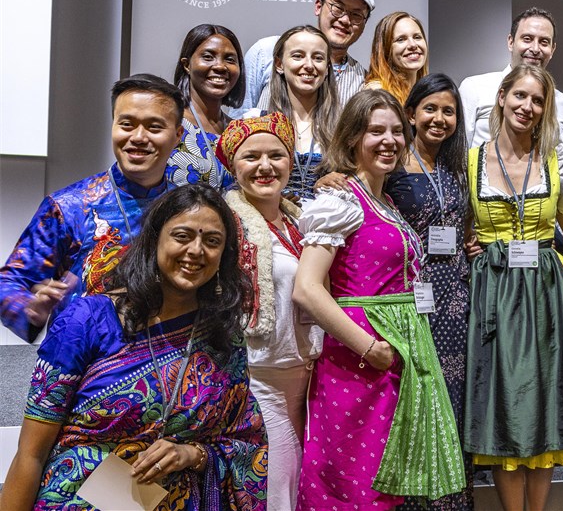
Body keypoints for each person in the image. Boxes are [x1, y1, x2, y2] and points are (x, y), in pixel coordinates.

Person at [0, 184, 266, 510]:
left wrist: (194, 455)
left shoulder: (223, 339)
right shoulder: (86, 322)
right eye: (182, 236)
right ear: (154, 240)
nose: (197, 250)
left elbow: (247, 445)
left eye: (212, 241)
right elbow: (30, 454)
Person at [292, 90, 464, 509]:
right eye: (375, 131)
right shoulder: (341, 201)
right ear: (353, 138)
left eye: (396, 131)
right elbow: (307, 288)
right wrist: (370, 347)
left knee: (386, 481)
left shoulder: (384, 201)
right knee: (355, 480)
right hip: (359, 359)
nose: (389, 140)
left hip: (394, 356)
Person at [464, 65, 563, 511]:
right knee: (502, 400)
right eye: (520, 97)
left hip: (546, 289)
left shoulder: (554, 157)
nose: (527, 107)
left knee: (545, 398)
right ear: (501, 97)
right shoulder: (471, 160)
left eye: (537, 101)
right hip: (492, 290)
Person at [0, 74, 183, 342]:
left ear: (178, 135)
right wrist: (29, 307)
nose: (138, 137)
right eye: (126, 124)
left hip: (165, 362)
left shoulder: (188, 209)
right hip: (82, 366)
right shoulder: (69, 206)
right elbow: (9, 283)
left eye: (154, 127)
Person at [215, 112, 322, 510]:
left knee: (301, 480)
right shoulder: (225, 222)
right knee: (276, 484)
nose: (264, 166)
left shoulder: (302, 219)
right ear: (233, 165)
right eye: (251, 157)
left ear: (290, 162)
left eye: (276, 155)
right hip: (257, 373)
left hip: (307, 372)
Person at [384, 74, 474, 509]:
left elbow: (462, 225)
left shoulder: (455, 168)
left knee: (453, 398)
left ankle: (452, 500)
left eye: (449, 111)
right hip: (412, 295)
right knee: (417, 397)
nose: (440, 118)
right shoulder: (392, 165)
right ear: (412, 114)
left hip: (457, 297)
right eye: (431, 109)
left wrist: (469, 240)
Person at [236, 0, 375, 117]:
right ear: (318, 7)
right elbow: (238, 118)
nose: (345, 20)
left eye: (356, 15)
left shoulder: (363, 82)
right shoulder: (266, 51)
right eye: (338, 8)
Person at [459, 7, 563, 147]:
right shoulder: (475, 88)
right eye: (527, 39)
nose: (535, 49)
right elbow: (458, 153)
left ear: (552, 50)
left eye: (544, 42)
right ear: (511, 42)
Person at [258, 25, 339, 201]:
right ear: (279, 64)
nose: (309, 65)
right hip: (272, 224)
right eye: (298, 56)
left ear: (327, 69)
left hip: (327, 224)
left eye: (318, 58)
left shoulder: (342, 128)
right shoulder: (257, 122)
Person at [167, 23, 245, 189]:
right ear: (187, 65)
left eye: (230, 59)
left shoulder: (241, 131)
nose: (220, 66)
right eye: (208, 57)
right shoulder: (169, 124)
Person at [364, 11, 430, 105]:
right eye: (401, 39)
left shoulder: (425, 91)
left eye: (417, 37)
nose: (413, 45)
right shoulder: (377, 93)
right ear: (385, 49)